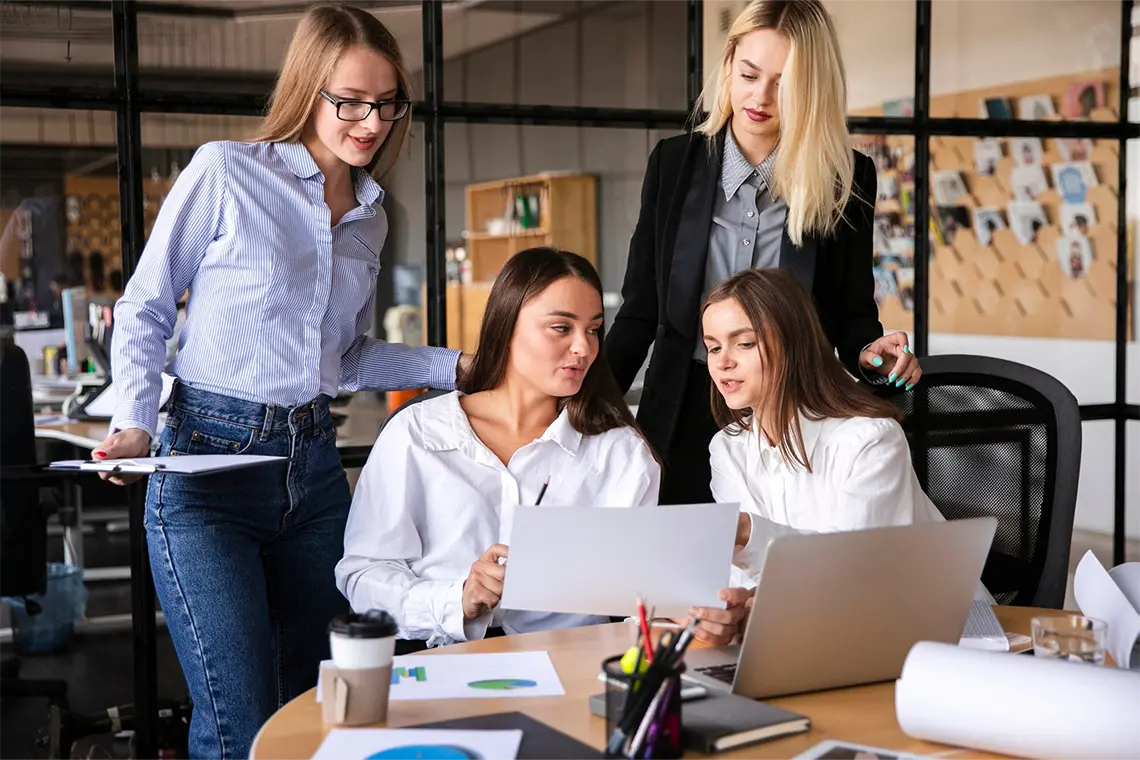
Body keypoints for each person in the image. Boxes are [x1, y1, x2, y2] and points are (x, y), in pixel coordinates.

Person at [95, 4, 467, 758]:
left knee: (326, 708)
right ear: (309, 90)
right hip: (207, 473)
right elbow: (145, 303)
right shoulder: (227, 171)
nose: (370, 122)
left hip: (315, 474)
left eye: (386, 104)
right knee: (240, 723)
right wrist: (133, 420)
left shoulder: (370, 217)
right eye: (350, 102)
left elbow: (345, 360)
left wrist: (455, 366)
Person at [605, 0, 920, 505]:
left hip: (792, 411)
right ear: (729, 63)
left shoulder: (846, 176)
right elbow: (641, 311)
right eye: (749, 74)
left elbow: (850, 312)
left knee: (778, 561)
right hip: (684, 405)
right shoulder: (673, 164)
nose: (761, 97)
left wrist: (869, 354)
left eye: (785, 85)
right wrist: (581, 405)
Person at [337, 247, 660, 648]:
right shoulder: (417, 433)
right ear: (506, 326)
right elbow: (364, 577)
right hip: (440, 660)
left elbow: (643, 596)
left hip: (572, 667)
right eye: (562, 328)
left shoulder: (620, 452)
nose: (583, 348)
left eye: (593, 330)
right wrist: (459, 599)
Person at [683, 268, 945, 645]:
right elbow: (745, 584)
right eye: (713, 346)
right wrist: (734, 610)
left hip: (926, 637)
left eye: (744, 344)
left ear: (791, 345)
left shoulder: (869, 441)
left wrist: (746, 532)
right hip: (809, 639)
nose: (723, 362)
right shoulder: (727, 449)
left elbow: (848, 571)